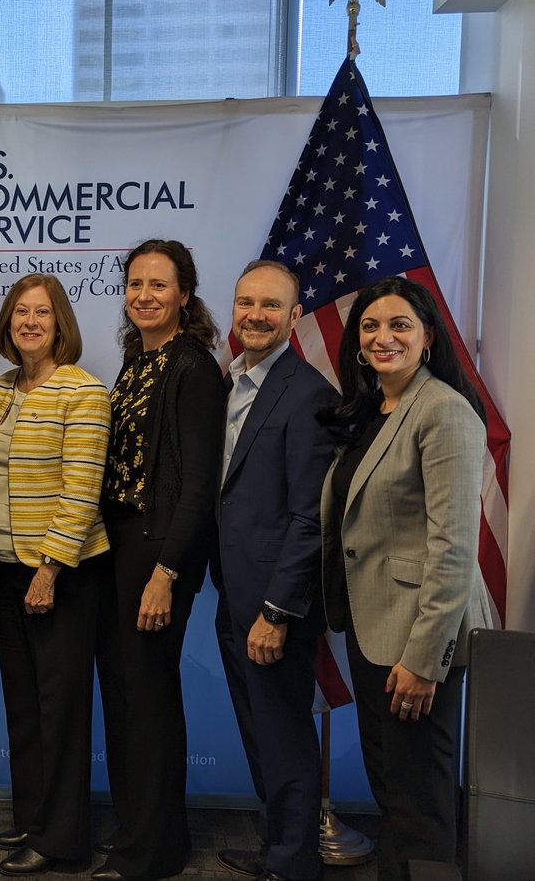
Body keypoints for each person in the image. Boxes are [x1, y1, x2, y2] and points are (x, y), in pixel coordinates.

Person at [318, 276, 492, 881]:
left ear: (427, 338)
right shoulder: (378, 407)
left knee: (419, 803)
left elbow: (453, 548)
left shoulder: (443, 409)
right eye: (370, 325)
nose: (381, 336)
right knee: (393, 791)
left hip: (418, 640)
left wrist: (424, 660)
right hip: (374, 628)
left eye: (399, 325)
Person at [93, 240, 225, 881]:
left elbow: (200, 482)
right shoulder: (135, 358)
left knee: (147, 700)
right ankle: (135, 834)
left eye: (159, 285)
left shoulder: (194, 367)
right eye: (135, 283)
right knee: (126, 698)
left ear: (184, 295)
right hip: (120, 544)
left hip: (156, 553)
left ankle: (155, 852)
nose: (145, 295)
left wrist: (167, 574)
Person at [212, 261, 337, 881]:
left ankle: (294, 863)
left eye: (270, 306)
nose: (254, 316)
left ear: (295, 317)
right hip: (234, 594)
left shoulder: (310, 395)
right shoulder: (233, 380)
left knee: (284, 738)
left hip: (272, 607)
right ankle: (278, 844)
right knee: (260, 733)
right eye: (245, 303)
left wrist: (277, 612)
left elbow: (309, 519)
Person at [0, 273, 111, 877]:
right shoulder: (2, 389)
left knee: (60, 709)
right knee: (24, 703)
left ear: (61, 324)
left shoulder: (82, 392)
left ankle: (63, 838)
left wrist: (50, 568)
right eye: (20, 313)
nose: (29, 322)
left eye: (42, 313)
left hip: (59, 574)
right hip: (4, 569)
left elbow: (82, 491)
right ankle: (32, 819)